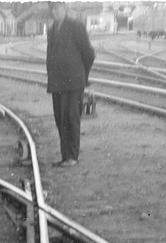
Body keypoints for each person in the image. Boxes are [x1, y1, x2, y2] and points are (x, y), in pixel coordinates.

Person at [46, 1, 95, 167]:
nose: (54, 11)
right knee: (60, 119)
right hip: (57, 83)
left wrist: (82, 75)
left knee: (71, 118)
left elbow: (88, 53)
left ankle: (72, 157)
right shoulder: (52, 30)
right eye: (52, 8)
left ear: (65, 8)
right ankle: (65, 156)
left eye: (57, 7)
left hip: (73, 82)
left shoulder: (76, 26)